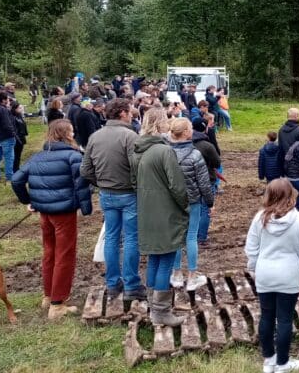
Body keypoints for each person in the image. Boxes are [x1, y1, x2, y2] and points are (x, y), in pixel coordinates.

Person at [11, 120, 92, 320]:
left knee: (49, 252)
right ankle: (57, 304)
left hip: (44, 213)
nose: (74, 134)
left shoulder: (37, 156)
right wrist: (86, 208)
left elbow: (16, 179)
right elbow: (81, 184)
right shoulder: (73, 156)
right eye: (72, 131)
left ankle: (48, 296)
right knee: (64, 255)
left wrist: (28, 200)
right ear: (67, 134)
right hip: (63, 213)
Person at [245, 178, 299, 373]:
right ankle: (283, 363)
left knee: (266, 316)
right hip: (290, 275)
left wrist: (254, 268)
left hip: (265, 274)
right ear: (291, 195)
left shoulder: (260, 218)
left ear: (268, 195)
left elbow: (251, 248)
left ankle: (269, 360)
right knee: (285, 319)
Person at [80, 98, 147, 301]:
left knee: (111, 237)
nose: (131, 114)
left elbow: (85, 169)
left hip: (107, 194)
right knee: (131, 239)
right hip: (128, 194)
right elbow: (138, 167)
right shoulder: (130, 136)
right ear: (122, 113)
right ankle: (131, 284)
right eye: (129, 111)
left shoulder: (95, 136)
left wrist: (100, 182)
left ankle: (112, 283)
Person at [133, 108, 189, 326]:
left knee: (154, 258)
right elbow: (177, 185)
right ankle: (161, 312)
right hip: (165, 211)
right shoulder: (164, 151)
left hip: (146, 210)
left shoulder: (137, 150)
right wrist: (184, 205)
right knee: (165, 258)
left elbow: (133, 182)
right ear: (160, 124)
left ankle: (152, 304)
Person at [168, 118, 214, 291]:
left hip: (171, 201)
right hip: (192, 200)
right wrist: (210, 202)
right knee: (191, 236)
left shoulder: (165, 152)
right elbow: (204, 183)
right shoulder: (195, 155)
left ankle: (176, 274)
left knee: (176, 237)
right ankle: (192, 275)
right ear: (187, 132)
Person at [192, 118, 222, 247]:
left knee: (194, 208)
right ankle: (201, 237)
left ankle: (192, 235)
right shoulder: (207, 146)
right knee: (205, 209)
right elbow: (217, 162)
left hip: (190, 180)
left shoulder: (186, 144)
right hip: (207, 179)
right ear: (205, 128)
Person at [278, 108, 299, 173]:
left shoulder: (281, 130)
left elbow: (280, 149)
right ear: (297, 116)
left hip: (284, 163)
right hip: (297, 166)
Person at [11, 101, 29, 173]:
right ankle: (15, 169)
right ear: (15, 109)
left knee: (18, 155)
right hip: (16, 138)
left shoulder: (19, 116)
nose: (21, 109)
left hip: (21, 137)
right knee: (15, 154)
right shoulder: (12, 117)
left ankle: (16, 167)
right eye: (19, 108)